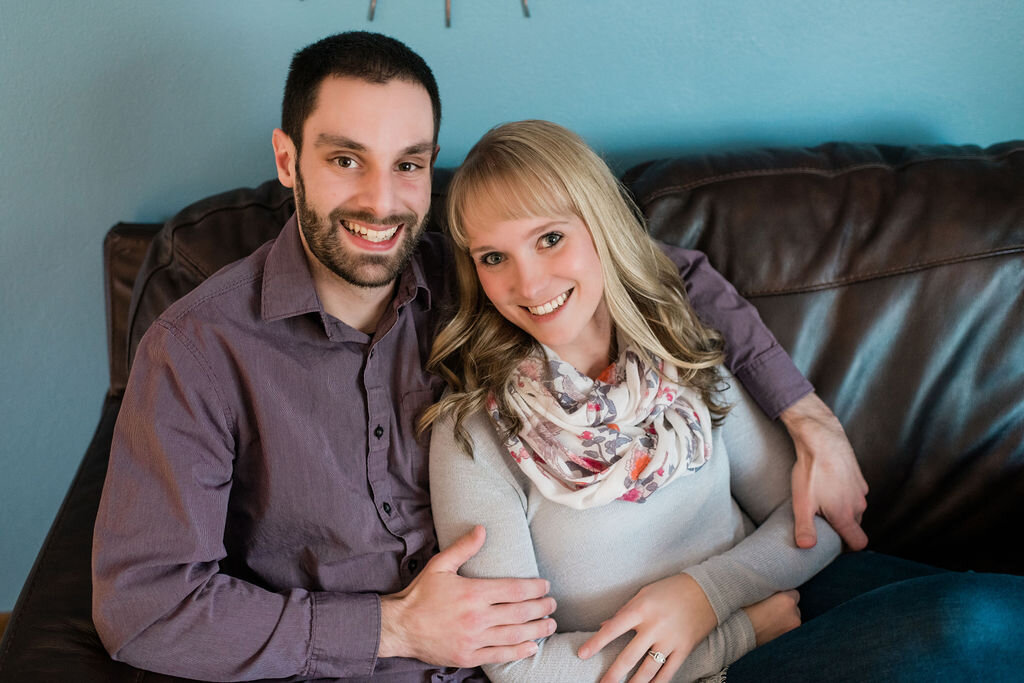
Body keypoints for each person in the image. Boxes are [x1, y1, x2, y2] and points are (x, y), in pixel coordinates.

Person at [92, 32, 866, 682]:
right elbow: (144, 606)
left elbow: (665, 276)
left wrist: (808, 415)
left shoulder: (466, 272)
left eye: (409, 163)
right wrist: (389, 628)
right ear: (289, 161)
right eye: (345, 160)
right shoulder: (200, 349)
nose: (382, 201)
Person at [425, 120, 1024, 683]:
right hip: (699, 667)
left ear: (602, 227)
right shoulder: (474, 433)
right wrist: (736, 634)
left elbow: (811, 521)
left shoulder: (677, 350)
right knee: (969, 625)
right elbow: (521, 668)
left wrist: (706, 596)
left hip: (781, 592)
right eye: (493, 258)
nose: (528, 284)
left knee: (998, 608)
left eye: (550, 238)